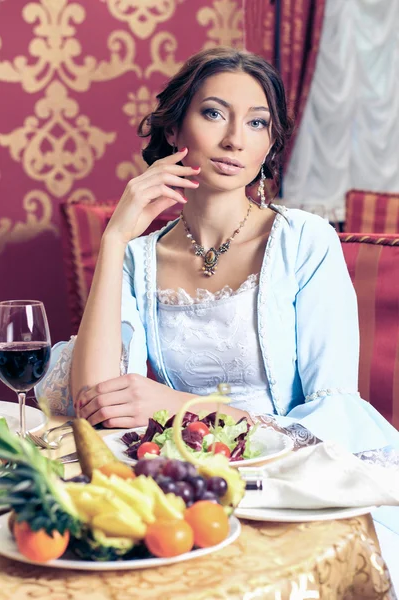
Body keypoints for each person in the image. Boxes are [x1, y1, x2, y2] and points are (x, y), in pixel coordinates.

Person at [36, 48, 398, 587]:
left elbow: (333, 417)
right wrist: (115, 239)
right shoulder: (138, 258)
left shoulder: (305, 242)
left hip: (296, 483)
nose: (235, 140)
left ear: (270, 143)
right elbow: (97, 399)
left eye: (257, 123)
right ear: (176, 124)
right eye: (214, 114)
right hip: (190, 482)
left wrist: (179, 405)